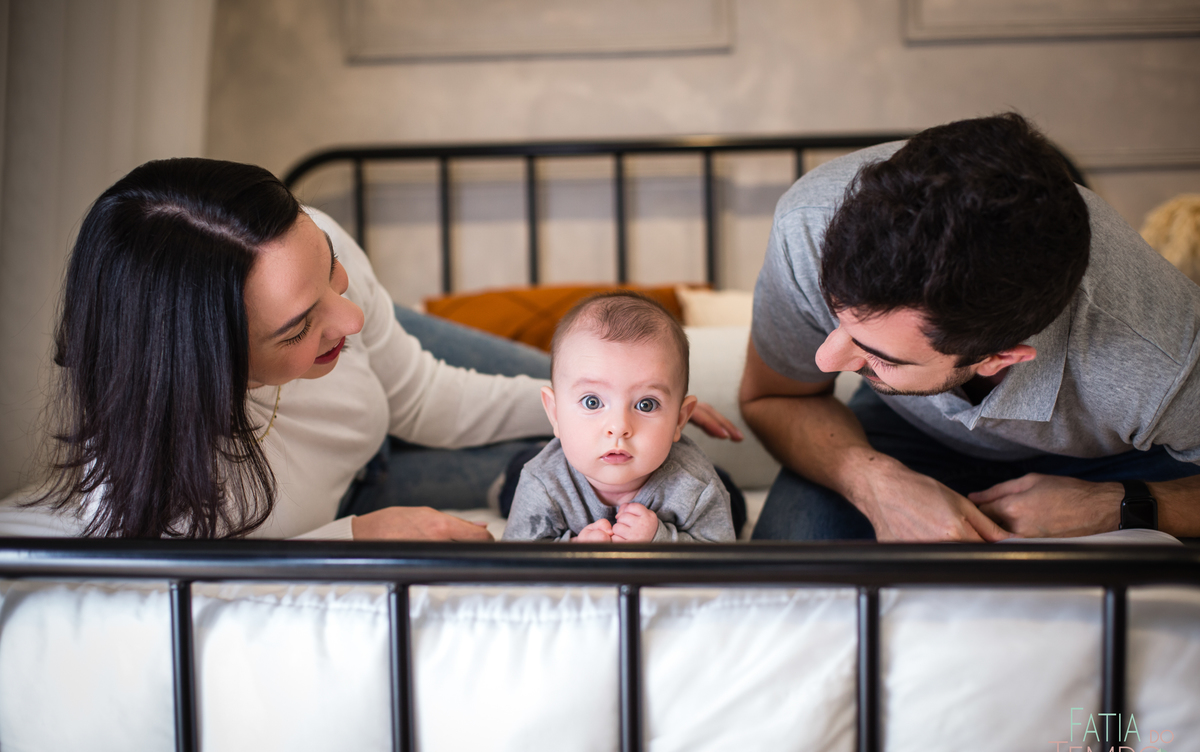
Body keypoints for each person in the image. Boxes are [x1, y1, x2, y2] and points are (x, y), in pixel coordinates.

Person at [17, 158, 740, 541]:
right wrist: (356, 533)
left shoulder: (325, 271)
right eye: (298, 325)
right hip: (363, 491)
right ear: (209, 367)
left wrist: (606, 406)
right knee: (568, 483)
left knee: (643, 409)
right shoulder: (166, 495)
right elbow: (200, 583)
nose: (351, 316)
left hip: (392, 401)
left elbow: (424, 397)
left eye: (330, 269)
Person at [739, 113, 1200, 543]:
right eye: (835, 314)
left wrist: (1119, 504)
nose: (825, 360)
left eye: (879, 355)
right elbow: (774, 395)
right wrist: (872, 481)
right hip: (905, 433)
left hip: (1116, 460)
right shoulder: (809, 227)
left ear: (1001, 357)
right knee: (784, 584)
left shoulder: (1163, 359)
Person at [504, 293, 736, 543]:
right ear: (554, 412)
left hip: (691, 474)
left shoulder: (696, 487)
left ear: (680, 420)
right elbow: (515, 560)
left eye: (646, 404)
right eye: (592, 402)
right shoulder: (541, 482)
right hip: (543, 464)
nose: (619, 427)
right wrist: (572, 550)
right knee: (512, 487)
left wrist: (660, 539)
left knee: (732, 499)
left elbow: (719, 558)